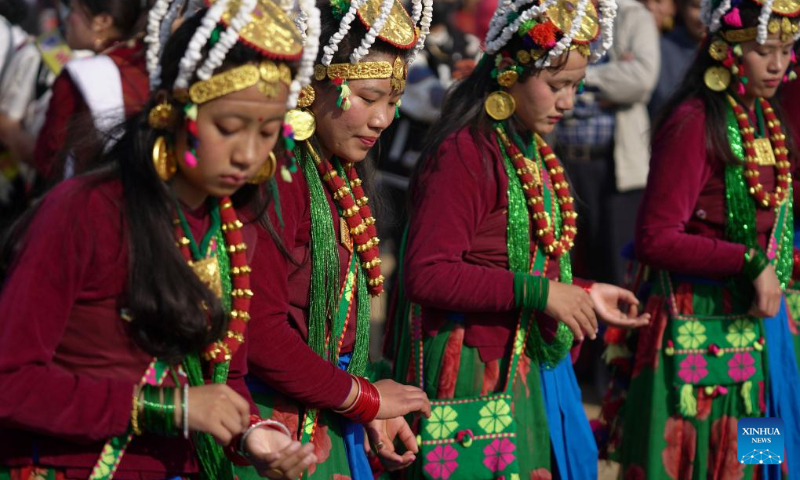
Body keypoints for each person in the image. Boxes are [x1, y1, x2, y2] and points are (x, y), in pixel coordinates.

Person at [0, 1, 321, 478]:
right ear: (173, 112)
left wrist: (253, 432)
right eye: (228, 128)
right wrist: (171, 408)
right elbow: (10, 381)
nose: (249, 154)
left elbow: (221, 376)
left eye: (269, 133)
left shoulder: (228, 224)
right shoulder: (85, 211)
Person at [386, 0, 651, 477]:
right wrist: (543, 293)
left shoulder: (527, 147)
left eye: (576, 86)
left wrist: (584, 292)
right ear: (509, 74)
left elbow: (517, 262)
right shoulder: (466, 151)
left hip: (524, 363)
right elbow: (427, 273)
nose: (569, 102)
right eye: (556, 86)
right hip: (474, 373)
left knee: (766, 430)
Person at [601, 0, 800, 477]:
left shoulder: (762, 117)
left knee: (755, 459)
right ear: (727, 49)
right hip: (700, 330)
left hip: (759, 330)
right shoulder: (695, 121)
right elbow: (655, 237)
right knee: (701, 459)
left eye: (787, 50)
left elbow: (770, 227)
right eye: (763, 50)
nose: (778, 64)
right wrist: (750, 263)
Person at [238, 0, 434, 478]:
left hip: (322, 409)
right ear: (312, 85)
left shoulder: (337, 172)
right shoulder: (279, 176)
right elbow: (259, 333)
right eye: (368, 98)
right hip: (273, 430)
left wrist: (365, 404)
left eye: (393, 101)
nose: (383, 120)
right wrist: (363, 398)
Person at [32, 0, 151, 181]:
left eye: (73, 10)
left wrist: (10, 132)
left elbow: (48, 160)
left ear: (102, 21)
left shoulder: (80, 76)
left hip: (87, 200)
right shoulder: (148, 64)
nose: (65, 18)